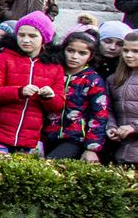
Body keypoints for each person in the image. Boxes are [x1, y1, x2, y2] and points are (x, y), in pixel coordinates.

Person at [0, 13, 64, 153]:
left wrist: (49, 97)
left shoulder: (54, 66)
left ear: (44, 39)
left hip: (28, 136)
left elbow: (58, 105)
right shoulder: (3, 58)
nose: (26, 40)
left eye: (32, 36)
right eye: (21, 35)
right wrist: (19, 92)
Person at [42, 30, 110, 163]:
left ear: (90, 56)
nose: (74, 56)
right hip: (46, 134)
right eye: (70, 50)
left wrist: (92, 148)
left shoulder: (93, 80)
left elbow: (99, 115)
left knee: (50, 165)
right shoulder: (54, 72)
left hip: (75, 138)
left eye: (82, 53)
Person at [106, 45, 138, 165]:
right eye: (125, 50)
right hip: (122, 153)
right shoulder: (113, 80)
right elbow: (108, 109)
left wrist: (134, 127)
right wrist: (111, 127)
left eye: (135, 51)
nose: (129, 55)